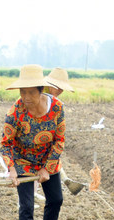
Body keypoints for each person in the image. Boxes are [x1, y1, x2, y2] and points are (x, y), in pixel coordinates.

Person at [1, 64, 72, 220]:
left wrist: (46, 168)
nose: (26, 97)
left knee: (56, 199)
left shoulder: (57, 107)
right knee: (27, 206)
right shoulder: (15, 112)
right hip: (23, 161)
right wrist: (12, 169)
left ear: (42, 91)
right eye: (23, 92)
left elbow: (59, 140)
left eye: (31, 92)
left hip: (48, 160)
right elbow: (6, 143)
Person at [44, 67, 81, 195]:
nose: (60, 91)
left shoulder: (57, 104)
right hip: (32, 150)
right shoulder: (36, 96)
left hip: (48, 147)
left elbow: (58, 134)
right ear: (49, 84)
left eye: (62, 88)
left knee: (55, 198)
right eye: (57, 87)